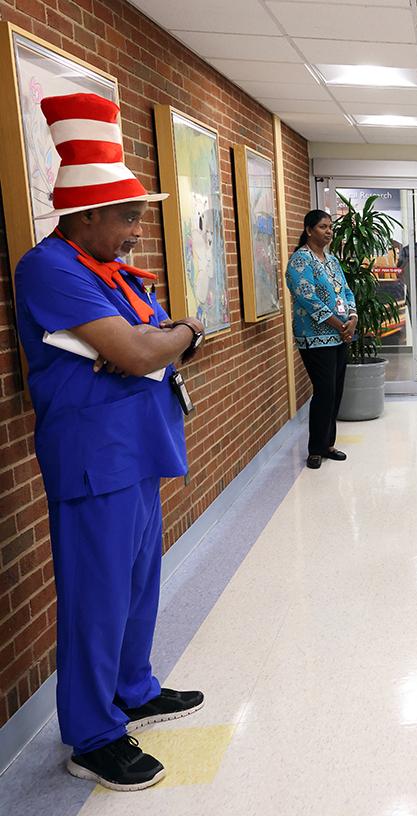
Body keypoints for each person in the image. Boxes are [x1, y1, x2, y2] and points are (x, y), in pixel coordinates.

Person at [13, 93, 205, 791]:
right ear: (87, 214)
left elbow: (154, 339)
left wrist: (158, 340)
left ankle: (134, 686)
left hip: (138, 448)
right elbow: (141, 348)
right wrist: (163, 340)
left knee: (138, 583)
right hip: (93, 459)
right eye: (127, 217)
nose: (134, 230)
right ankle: (92, 733)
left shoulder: (111, 273)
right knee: (95, 597)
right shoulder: (51, 269)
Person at [286, 209, 357, 470]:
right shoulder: (300, 260)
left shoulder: (332, 260)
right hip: (315, 337)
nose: (328, 231)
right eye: (323, 227)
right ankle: (315, 448)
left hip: (340, 335)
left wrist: (353, 317)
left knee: (335, 391)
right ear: (308, 230)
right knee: (324, 391)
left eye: (330, 227)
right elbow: (307, 297)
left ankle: (328, 444)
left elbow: (346, 290)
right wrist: (339, 325)